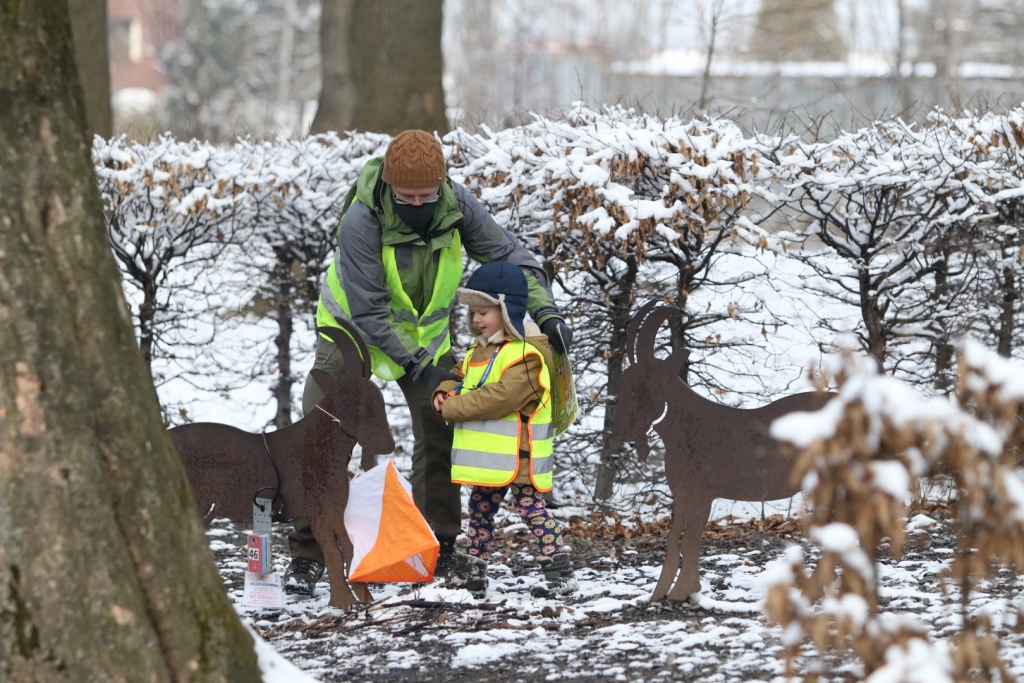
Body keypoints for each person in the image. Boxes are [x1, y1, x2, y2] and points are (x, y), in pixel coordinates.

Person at [284, 130, 573, 597]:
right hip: (354, 334)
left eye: (426, 194)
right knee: (322, 430)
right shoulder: (361, 219)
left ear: (442, 183)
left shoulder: (458, 205)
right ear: (390, 187)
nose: (417, 203)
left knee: (443, 427)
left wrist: (546, 312)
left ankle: (437, 544)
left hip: (425, 339)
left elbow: (508, 255)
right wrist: (419, 366)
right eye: (406, 196)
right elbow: (371, 311)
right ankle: (308, 553)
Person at [431, 261, 578, 599]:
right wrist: (445, 387)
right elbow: (462, 372)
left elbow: (499, 398)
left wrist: (452, 407)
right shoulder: (481, 350)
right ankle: (473, 575)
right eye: (473, 312)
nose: (476, 319)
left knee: (531, 511)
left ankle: (560, 571)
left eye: (484, 311)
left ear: (507, 309)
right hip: (492, 463)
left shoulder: (526, 355)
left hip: (520, 458)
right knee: (480, 512)